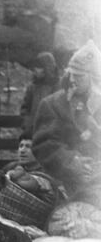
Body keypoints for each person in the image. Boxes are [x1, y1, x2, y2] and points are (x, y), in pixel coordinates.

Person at [32, 40, 101, 205]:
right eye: (72, 74)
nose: (74, 80)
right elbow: (44, 144)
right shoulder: (53, 104)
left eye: (80, 76)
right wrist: (72, 161)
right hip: (67, 185)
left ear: (94, 77)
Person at [20, 51, 60, 134]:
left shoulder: (59, 87)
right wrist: (28, 124)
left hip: (52, 134)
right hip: (33, 131)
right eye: (35, 67)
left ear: (47, 68)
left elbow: (61, 112)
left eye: (39, 67)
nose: (35, 70)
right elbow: (25, 109)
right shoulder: (32, 87)